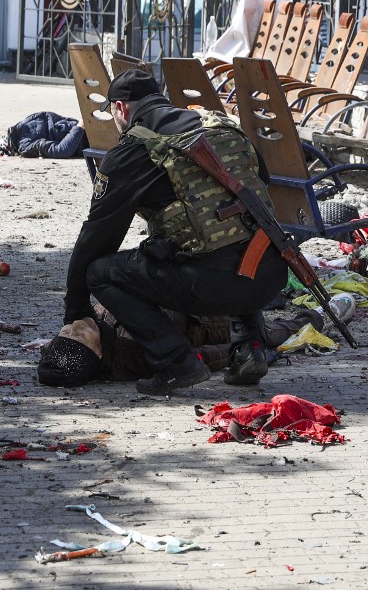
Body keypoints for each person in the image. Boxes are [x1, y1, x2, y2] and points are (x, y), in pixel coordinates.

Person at [63, 69, 289, 395]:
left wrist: (76, 309)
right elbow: (260, 184)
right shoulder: (218, 125)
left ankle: (176, 361)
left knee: (100, 273)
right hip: (270, 276)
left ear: (120, 109)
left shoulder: (134, 150)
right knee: (237, 235)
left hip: (215, 287)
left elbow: (97, 236)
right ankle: (249, 349)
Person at [37, 307, 323, 388]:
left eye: (67, 331)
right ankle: (310, 319)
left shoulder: (88, 340)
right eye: (79, 335)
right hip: (203, 324)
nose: (76, 326)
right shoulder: (135, 354)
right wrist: (243, 353)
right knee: (263, 331)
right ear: (97, 354)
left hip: (185, 305)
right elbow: (201, 358)